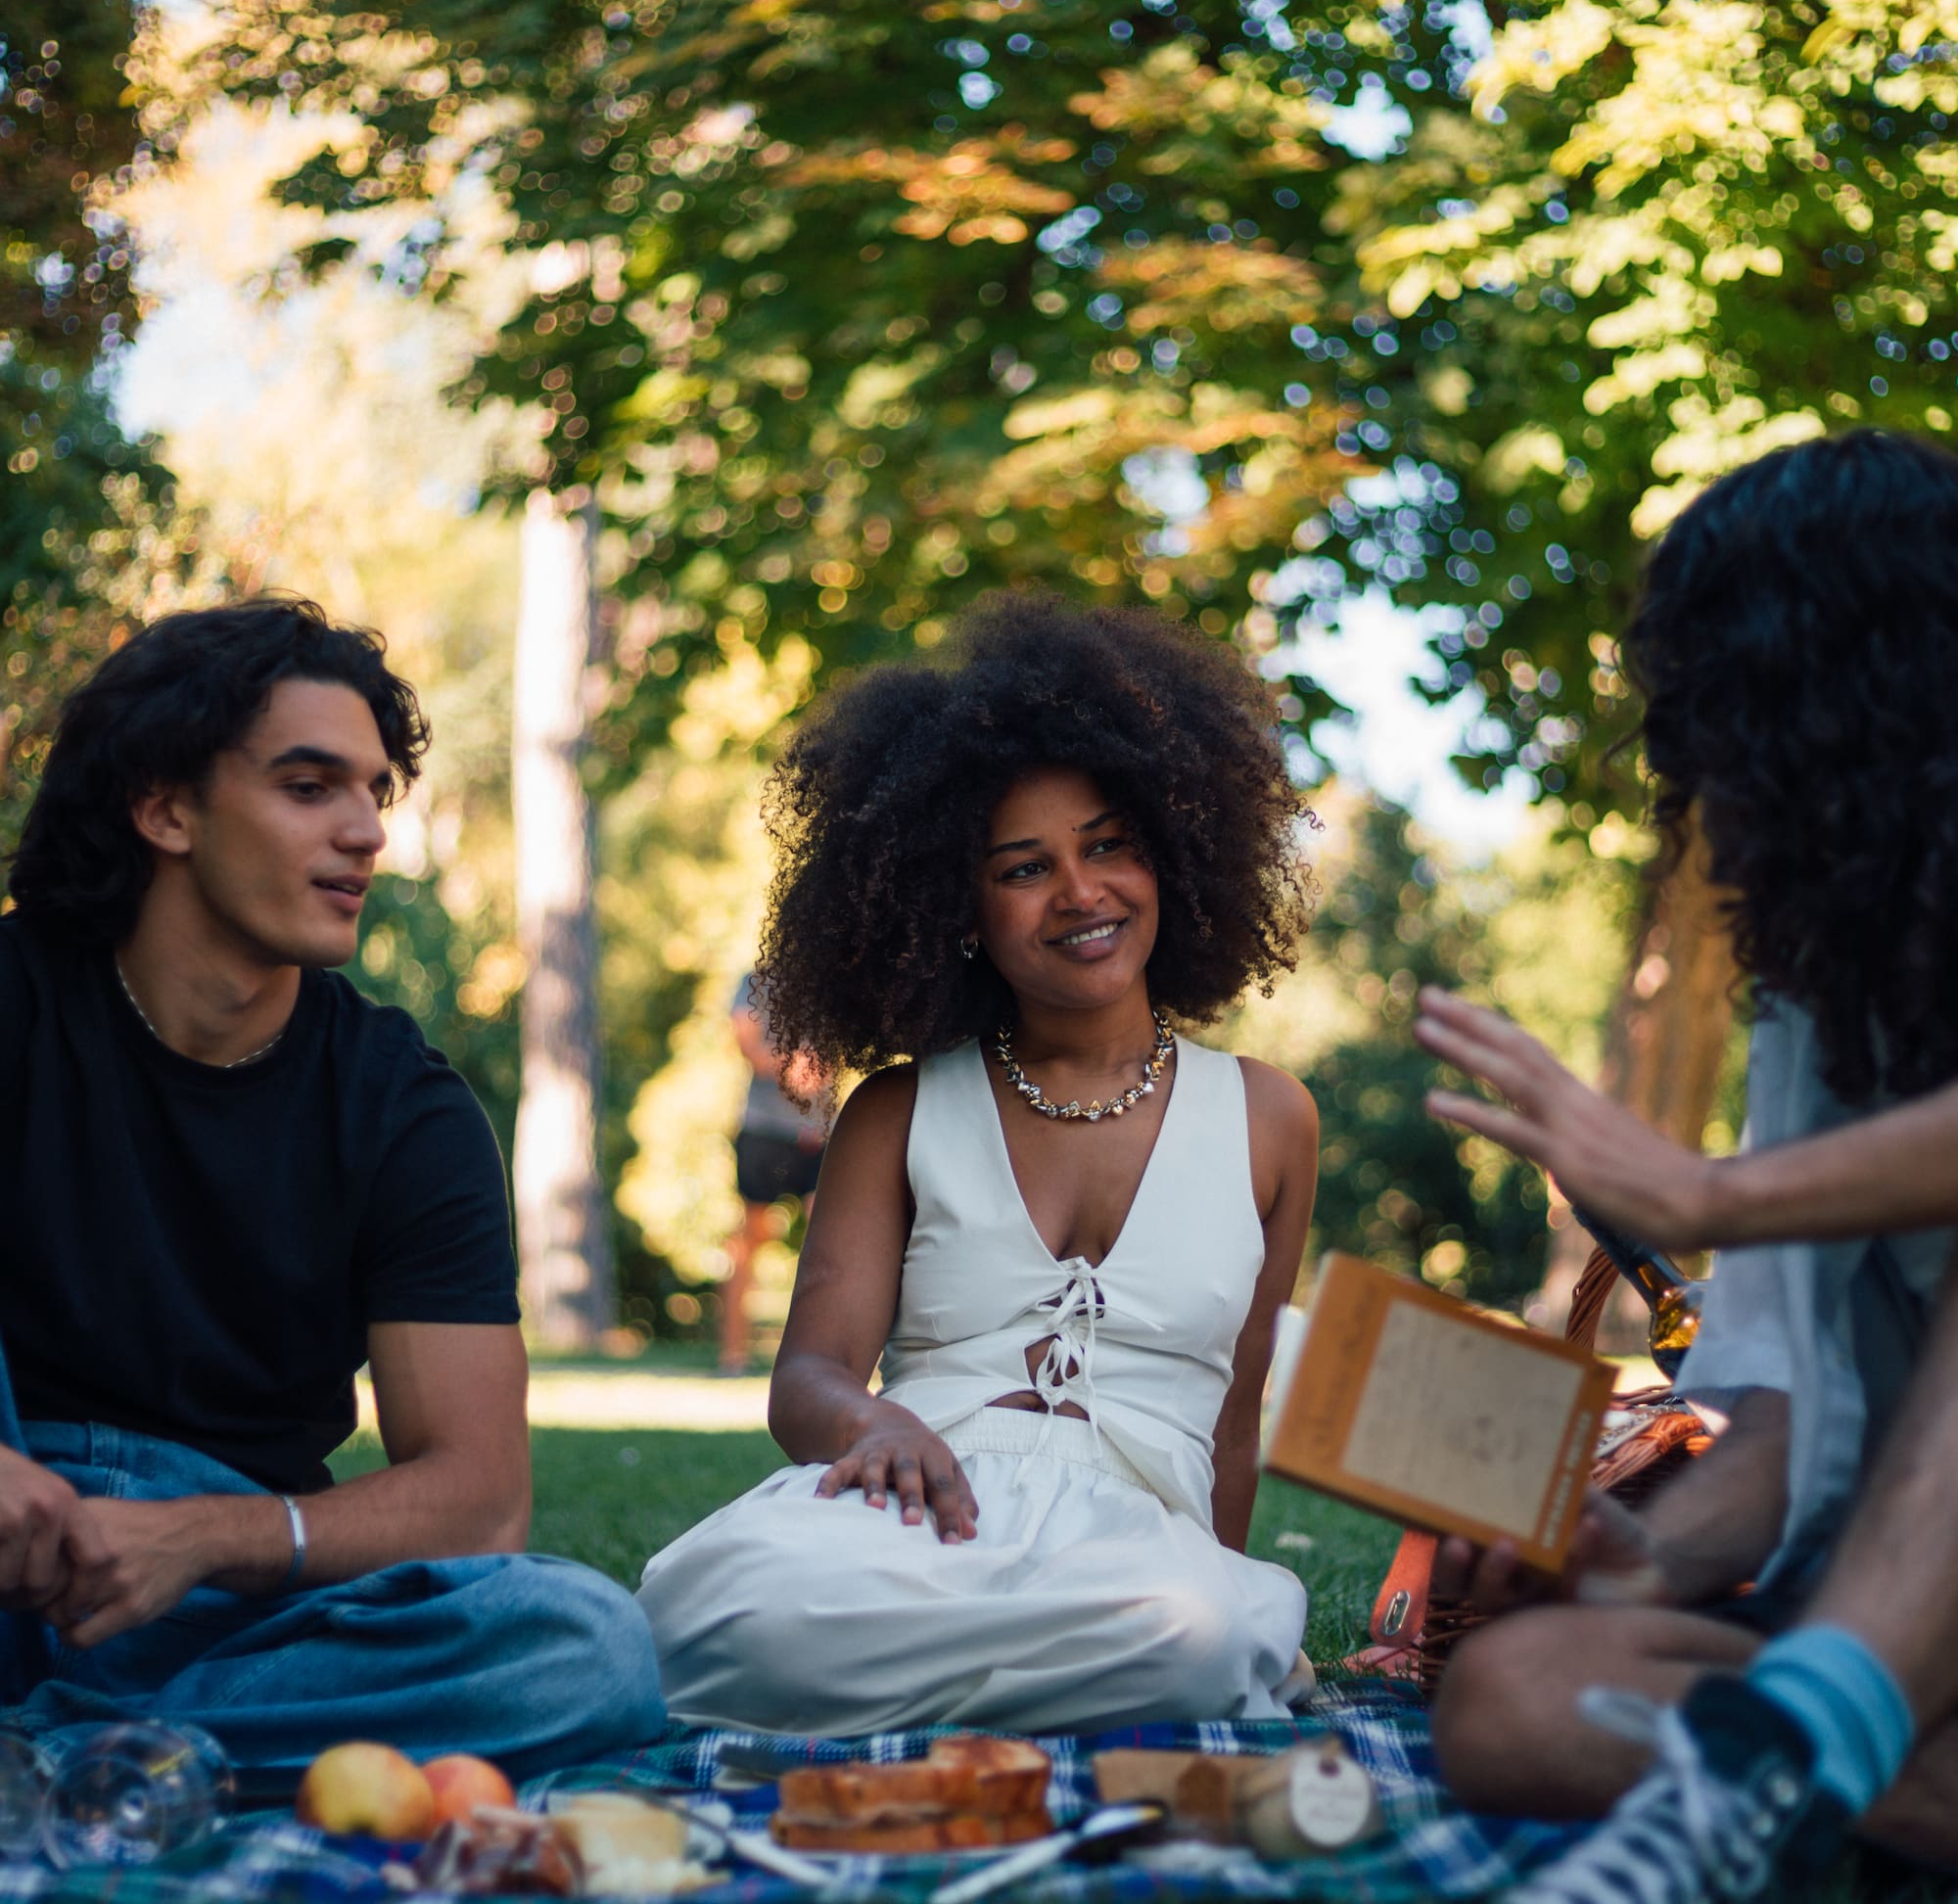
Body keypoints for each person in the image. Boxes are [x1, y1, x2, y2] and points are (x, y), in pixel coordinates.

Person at [1408, 430, 1958, 1901]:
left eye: (1719, 711)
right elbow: (1807, 1414)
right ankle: (1798, 1761)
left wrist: (1707, 1198)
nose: (1697, 768)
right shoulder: (1822, 984)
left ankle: (1801, 1747)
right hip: (1901, 1641)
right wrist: (1638, 1565)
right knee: (1516, 1699)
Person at [0, 599, 663, 1792]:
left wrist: (204, 1536)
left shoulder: (404, 1107)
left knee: (584, 1645)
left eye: (373, 792)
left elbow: (477, 1497)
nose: (366, 832)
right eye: (310, 787)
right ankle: (134, 1755)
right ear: (165, 808)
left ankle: (60, 1757)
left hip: (224, 1592)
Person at [636, 595, 1321, 1735]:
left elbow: (1235, 1417)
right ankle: (1057, 1701)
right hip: (909, 1509)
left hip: (1140, 1555)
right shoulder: (896, 1109)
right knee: (708, 1608)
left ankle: (957, 1699)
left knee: (1197, 1629)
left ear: (1171, 853)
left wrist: (1226, 1581)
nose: (1081, 893)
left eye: (1108, 844)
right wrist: (873, 1429)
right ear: (958, 908)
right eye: (1023, 867)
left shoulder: (1268, 1117)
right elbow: (807, 1378)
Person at [719, 972, 826, 1373]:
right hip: (764, 1131)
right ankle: (733, 1356)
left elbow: (837, 1057)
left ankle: (827, 1352)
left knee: (832, 1238)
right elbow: (747, 1045)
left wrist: (809, 1067)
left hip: (815, 1133)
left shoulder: (828, 984)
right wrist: (792, 1066)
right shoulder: (752, 981)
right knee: (747, 1241)